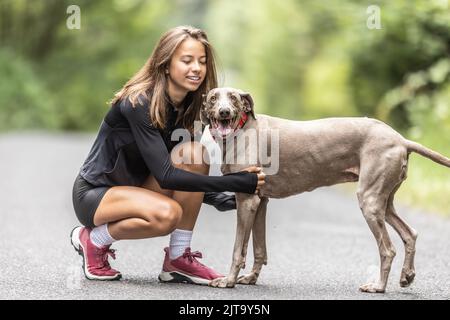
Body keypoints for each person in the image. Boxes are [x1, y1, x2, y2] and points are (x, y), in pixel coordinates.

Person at [70, 25, 265, 284]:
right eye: (187, 60)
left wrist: (226, 197)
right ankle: (93, 240)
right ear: (165, 64)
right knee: (167, 215)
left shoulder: (190, 106)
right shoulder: (138, 101)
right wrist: (235, 181)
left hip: (140, 187)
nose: (196, 68)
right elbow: (167, 176)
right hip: (97, 194)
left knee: (195, 153)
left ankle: (178, 259)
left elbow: (184, 171)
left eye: (202, 62)